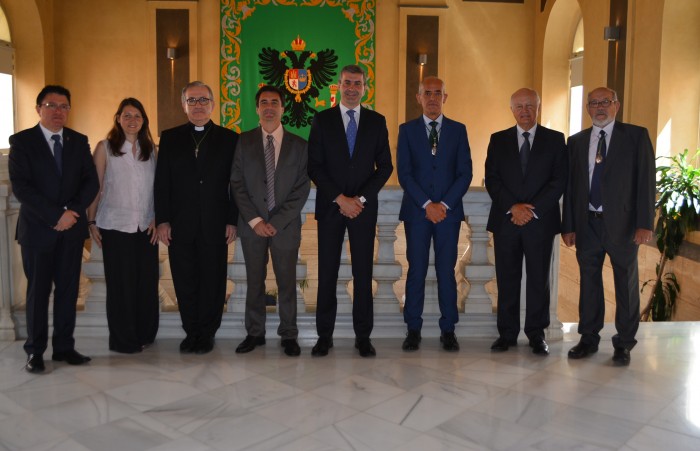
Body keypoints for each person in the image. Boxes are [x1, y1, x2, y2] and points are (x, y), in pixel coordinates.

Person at [9, 85, 99, 373]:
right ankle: (35, 352)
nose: (58, 111)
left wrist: (71, 213)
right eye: (51, 105)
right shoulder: (22, 142)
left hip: (71, 230)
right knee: (38, 292)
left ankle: (64, 347)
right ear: (38, 109)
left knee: (68, 290)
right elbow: (22, 187)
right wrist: (55, 216)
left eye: (63, 106)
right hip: (38, 230)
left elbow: (90, 183)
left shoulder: (78, 140)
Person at [562, 87, 655, 366]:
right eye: (594, 103)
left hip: (624, 225)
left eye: (605, 101)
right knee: (588, 282)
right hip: (587, 223)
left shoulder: (636, 136)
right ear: (588, 108)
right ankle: (588, 338)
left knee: (625, 284)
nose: (599, 107)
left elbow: (646, 181)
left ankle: (624, 343)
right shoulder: (576, 142)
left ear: (616, 105)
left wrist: (644, 223)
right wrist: (569, 224)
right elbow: (571, 186)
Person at [307, 64, 393, 357]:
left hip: (363, 211)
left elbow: (385, 167)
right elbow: (314, 166)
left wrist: (361, 200)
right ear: (339, 86)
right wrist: (340, 198)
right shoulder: (322, 120)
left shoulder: (377, 121)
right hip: (332, 208)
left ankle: (363, 336)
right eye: (347, 83)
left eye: (357, 83)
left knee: (362, 273)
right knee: (327, 272)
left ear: (364, 87)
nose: (352, 88)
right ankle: (324, 335)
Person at [154, 81, 239, 355]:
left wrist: (232, 219)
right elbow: (162, 182)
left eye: (203, 100)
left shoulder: (229, 138)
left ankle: (208, 333)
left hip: (215, 223)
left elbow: (235, 184)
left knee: (213, 281)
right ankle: (191, 331)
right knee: (184, 279)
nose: (198, 105)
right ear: (184, 105)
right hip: (180, 223)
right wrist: (163, 220)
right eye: (192, 101)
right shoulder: (170, 137)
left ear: (213, 104)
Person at [485, 88, 567, 356]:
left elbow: (558, 181)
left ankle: (536, 334)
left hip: (540, 223)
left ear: (538, 107)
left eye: (530, 105)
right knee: (507, 279)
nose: (524, 110)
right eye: (519, 106)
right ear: (511, 110)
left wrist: (531, 211)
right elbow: (493, 179)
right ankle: (507, 334)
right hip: (506, 221)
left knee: (538, 280)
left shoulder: (555, 140)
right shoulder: (498, 140)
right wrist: (513, 208)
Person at [231, 85, 310, 357]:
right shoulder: (242, 142)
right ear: (256, 108)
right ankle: (255, 333)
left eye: (274, 102)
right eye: (263, 102)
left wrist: (278, 220)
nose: (269, 107)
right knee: (255, 281)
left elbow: (302, 188)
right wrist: (255, 220)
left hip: (285, 227)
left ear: (283, 108)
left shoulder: (300, 146)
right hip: (252, 227)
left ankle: (288, 334)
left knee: (287, 281)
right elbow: (237, 184)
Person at [397, 76, 473, 352]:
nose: (432, 98)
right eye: (426, 93)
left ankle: (448, 329)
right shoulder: (406, 130)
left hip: (448, 215)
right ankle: (413, 328)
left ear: (445, 97)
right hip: (417, 214)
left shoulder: (458, 130)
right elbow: (404, 173)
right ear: (418, 97)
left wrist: (444, 205)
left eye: (437, 93)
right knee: (416, 270)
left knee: (446, 271)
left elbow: (465, 172)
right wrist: (427, 204)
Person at [86, 98, 159, 354]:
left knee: (146, 284)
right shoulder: (105, 148)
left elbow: (157, 190)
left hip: (146, 228)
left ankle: (145, 334)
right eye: (127, 115)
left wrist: (156, 217)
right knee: (121, 286)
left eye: (137, 116)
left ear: (143, 121)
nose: (132, 120)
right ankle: (123, 340)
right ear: (118, 118)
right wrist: (91, 220)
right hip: (115, 226)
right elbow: (95, 187)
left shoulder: (151, 150)